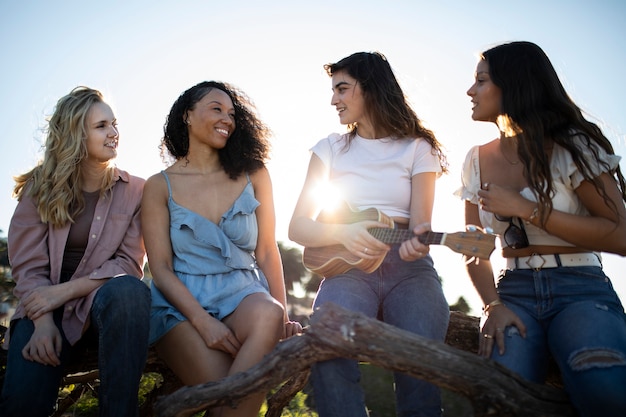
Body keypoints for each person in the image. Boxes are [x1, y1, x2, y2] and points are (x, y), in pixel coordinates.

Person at [457, 41, 626, 416]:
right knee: (500, 400)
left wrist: (528, 209)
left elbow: (621, 234)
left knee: (603, 390)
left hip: (581, 289)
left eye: (481, 81)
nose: (471, 91)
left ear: (514, 85)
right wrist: (492, 306)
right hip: (512, 294)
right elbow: (475, 247)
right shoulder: (476, 160)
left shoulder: (573, 146)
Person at [289, 52, 450, 417]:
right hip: (347, 268)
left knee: (421, 367)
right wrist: (344, 233)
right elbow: (298, 226)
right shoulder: (329, 148)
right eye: (333, 91)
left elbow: (421, 223)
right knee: (329, 350)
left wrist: (417, 244)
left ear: (371, 89)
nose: (334, 100)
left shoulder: (418, 148)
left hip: (408, 270)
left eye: (342, 89)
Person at [143, 81, 301, 417]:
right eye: (216, 108)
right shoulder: (159, 186)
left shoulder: (253, 173)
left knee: (269, 314)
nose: (226, 119)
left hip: (243, 291)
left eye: (231, 113)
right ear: (187, 114)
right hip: (181, 304)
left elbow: (267, 252)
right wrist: (202, 322)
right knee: (231, 405)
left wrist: (283, 319)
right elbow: (160, 269)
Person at [0, 86, 151, 417]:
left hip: (102, 300)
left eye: (115, 124)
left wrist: (66, 291)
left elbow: (127, 263)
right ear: (75, 135)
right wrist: (41, 323)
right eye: (101, 127)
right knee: (23, 404)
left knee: (130, 291)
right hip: (42, 307)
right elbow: (28, 268)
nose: (114, 133)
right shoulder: (39, 187)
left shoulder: (138, 190)